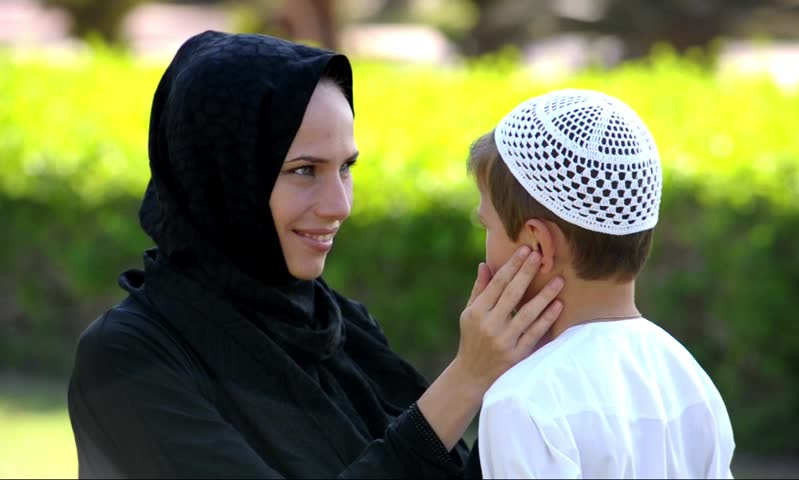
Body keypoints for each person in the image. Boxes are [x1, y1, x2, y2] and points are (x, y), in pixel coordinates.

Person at [67, 30, 566, 478]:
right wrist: (466, 379)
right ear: (222, 175)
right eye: (305, 170)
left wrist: (522, 375)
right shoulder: (128, 359)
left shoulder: (337, 327)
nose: (340, 205)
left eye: (346, 167)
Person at [468, 89, 736, 478]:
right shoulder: (689, 379)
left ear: (538, 244)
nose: (485, 244)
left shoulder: (522, 403)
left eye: (486, 226)